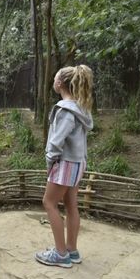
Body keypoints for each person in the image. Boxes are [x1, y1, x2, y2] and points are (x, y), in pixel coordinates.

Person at [35, 65, 94, 268]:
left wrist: (50, 163)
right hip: (77, 163)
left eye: (54, 77)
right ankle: (72, 250)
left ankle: (60, 254)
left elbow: (55, 142)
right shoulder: (80, 108)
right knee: (70, 205)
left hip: (64, 164)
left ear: (59, 84)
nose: (53, 80)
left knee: (49, 203)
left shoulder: (65, 110)